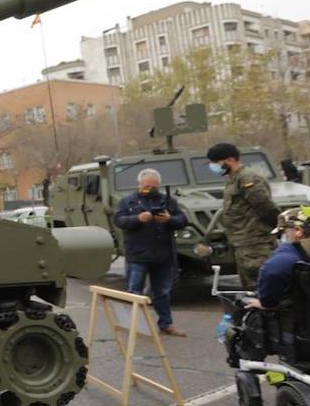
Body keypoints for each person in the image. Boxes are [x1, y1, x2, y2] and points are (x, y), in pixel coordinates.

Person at [113, 168, 189, 336]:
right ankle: (133, 325)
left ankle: (166, 324)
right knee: (135, 292)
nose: (150, 189)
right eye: (146, 186)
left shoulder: (167, 201)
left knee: (163, 292)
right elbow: (119, 220)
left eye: (154, 186)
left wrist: (169, 219)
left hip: (162, 255)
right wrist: (137, 219)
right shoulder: (128, 202)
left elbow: (183, 220)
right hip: (137, 255)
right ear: (139, 184)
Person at [206, 142, 278, 287]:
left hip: (255, 244)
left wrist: (271, 230)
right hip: (242, 243)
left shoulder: (247, 179)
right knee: (250, 287)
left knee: (261, 285)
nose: (213, 166)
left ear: (230, 160)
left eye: (216, 162)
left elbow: (265, 207)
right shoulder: (233, 180)